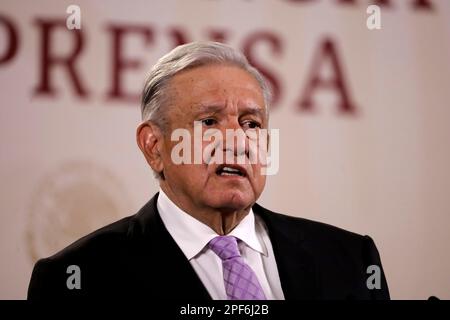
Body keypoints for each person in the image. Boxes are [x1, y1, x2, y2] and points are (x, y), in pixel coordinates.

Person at [28, 41, 389, 300]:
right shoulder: (79, 277)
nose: (236, 140)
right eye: (209, 121)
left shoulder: (350, 258)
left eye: (251, 124)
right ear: (154, 147)